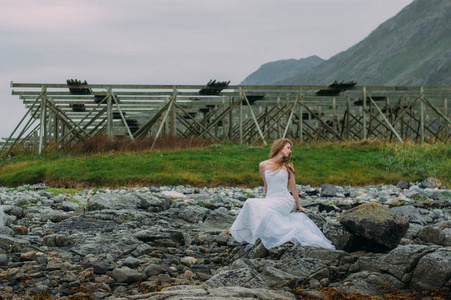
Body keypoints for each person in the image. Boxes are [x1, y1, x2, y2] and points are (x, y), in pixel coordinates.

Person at [230, 138, 335, 250]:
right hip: (271, 199)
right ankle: (255, 235)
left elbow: (293, 187)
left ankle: (260, 236)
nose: (290, 151)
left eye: (291, 149)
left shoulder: (288, 166)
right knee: (250, 202)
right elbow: (266, 185)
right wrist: (266, 201)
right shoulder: (263, 165)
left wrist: (298, 205)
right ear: (280, 147)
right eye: (288, 148)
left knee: (257, 205)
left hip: (284, 200)